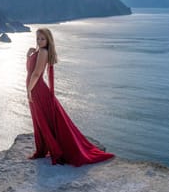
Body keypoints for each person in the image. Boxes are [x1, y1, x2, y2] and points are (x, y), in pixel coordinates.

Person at [26, 28, 115, 166]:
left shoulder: (43, 52)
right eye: (38, 38)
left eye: (42, 39)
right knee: (39, 120)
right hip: (35, 89)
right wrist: (28, 55)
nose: (39, 41)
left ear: (48, 40)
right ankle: (42, 149)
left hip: (37, 90)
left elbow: (36, 74)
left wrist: (29, 91)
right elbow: (30, 70)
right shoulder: (38, 52)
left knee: (42, 120)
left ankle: (48, 149)